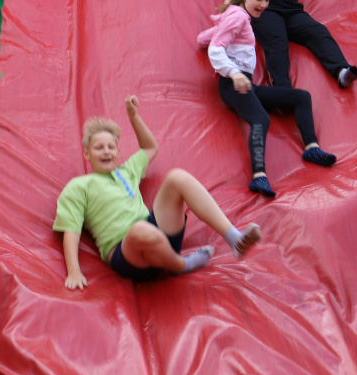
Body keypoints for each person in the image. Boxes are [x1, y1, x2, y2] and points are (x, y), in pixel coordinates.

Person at [54, 96, 261, 288]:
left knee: (177, 177)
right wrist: (73, 271)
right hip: (129, 255)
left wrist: (133, 116)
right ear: (86, 154)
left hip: (160, 238)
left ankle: (233, 237)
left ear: (118, 152)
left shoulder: (128, 170)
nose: (106, 151)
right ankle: (181, 265)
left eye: (111, 147)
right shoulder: (78, 186)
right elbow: (71, 229)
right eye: (99, 148)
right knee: (139, 230)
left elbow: (150, 148)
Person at [198, 0, 337, 198]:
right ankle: (258, 175)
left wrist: (210, 35)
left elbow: (206, 40)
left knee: (301, 97)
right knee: (261, 119)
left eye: (267, 0)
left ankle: (312, 148)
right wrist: (234, 72)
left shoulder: (237, 17)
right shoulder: (238, 16)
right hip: (233, 83)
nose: (264, 4)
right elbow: (216, 49)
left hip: (246, 84)